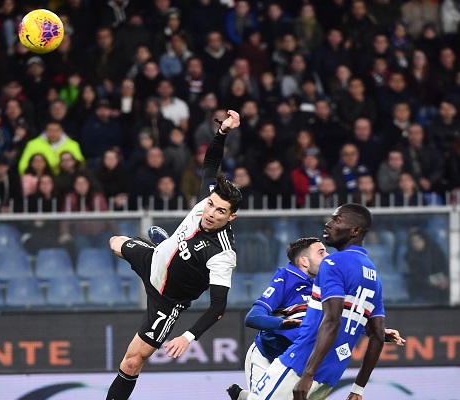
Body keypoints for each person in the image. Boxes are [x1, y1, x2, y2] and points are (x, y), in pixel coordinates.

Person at [106, 110, 242, 400]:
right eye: (211, 205)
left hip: (166, 301)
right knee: (115, 242)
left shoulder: (223, 254)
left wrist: (187, 336)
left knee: (131, 362)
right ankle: (164, 248)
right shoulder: (207, 199)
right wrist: (223, 132)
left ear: (231, 217)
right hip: (154, 261)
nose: (211, 213)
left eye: (220, 211)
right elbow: (211, 162)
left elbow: (217, 307)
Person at [227, 237, 405, 400]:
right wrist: (282, 323)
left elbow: (337, 319)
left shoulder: (328, 282)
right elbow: (252, 317)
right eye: (321, 253)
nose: (328, 256)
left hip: (300, 361)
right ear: (304, 261)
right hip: (267, 356)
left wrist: (375, 331)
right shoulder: (286, 279)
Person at [249, 204, 386, 400]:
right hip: (331, 374)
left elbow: (332, 320)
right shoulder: (374, 277)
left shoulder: (333, 263)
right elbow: (378, 336)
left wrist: (307, 374)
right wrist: (358, 389)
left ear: (355, 230)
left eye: (337, 220)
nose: (328, 224)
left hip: (300, 364)